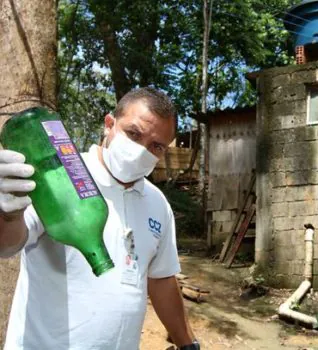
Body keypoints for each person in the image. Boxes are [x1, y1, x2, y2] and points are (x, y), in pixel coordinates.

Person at [0, 88, 200, 350]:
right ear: (109, 124)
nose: (141, 150)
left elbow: (160, 279)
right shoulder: (59, 174)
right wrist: (7, 215)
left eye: (156, 146)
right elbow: (8, 245)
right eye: (134, 134)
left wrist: (188, 344)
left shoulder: (157, 203)